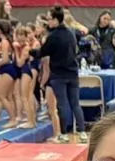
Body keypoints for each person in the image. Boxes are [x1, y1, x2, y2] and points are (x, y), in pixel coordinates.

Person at [40, 6, 86, 144]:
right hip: (72, 72)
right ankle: (82, 132)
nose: (47, 22)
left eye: (49, 19)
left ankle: (64, 134)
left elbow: (42, 52)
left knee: (63, 104)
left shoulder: (53, 36)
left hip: (59, 74)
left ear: (55, 19)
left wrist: (32, 53)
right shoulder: (71, 33)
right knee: (75, 103)